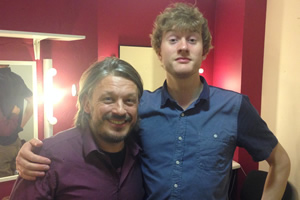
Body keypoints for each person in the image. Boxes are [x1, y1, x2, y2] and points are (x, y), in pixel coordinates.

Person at [15, 2, 291, 200]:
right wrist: (34, 150)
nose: (183, 46)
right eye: (173, 39)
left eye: (192, 39)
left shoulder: (234, 106)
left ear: (204, 49)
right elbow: (91, 136)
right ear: (159, 51)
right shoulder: (137, 108)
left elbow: (280, 162)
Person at [9, 57, 145, 200]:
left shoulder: (143, 150)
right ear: (86, 103)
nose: (120, 110)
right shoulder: (47, 158)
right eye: (108, 99)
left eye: (129, 101)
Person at [0, 65, 33, 178]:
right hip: (15, 142)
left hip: (2, 147)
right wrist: (20, 126)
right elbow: (32, 102)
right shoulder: (17, 78)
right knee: (17, 182)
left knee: (4, 186)